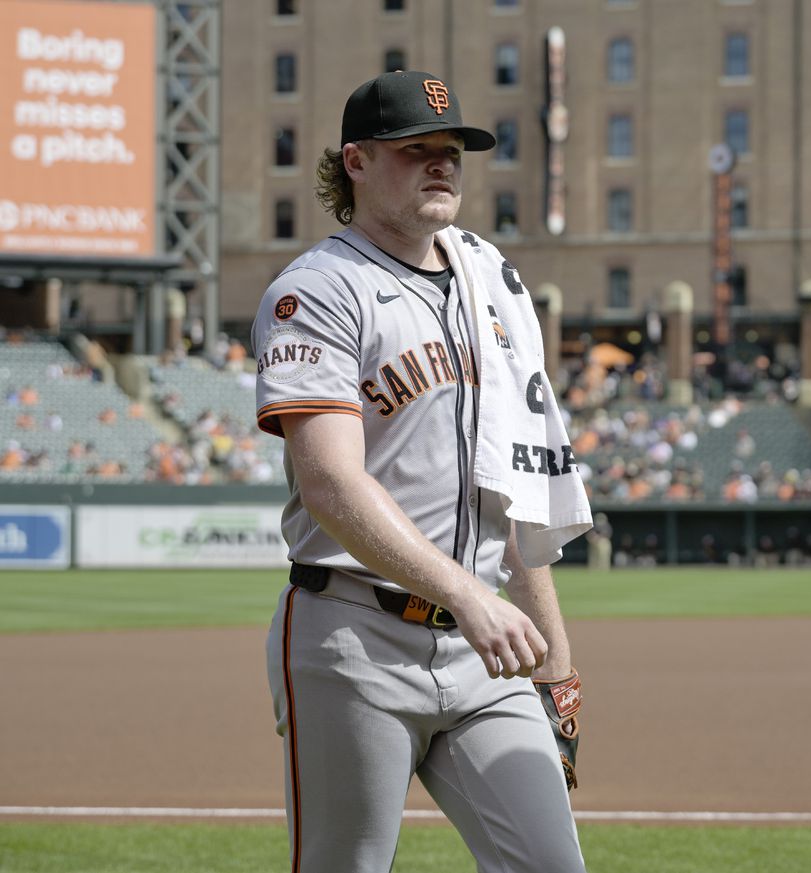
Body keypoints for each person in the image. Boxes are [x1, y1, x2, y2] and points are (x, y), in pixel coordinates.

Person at [252, 71, 591, 873]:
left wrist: (557, 657)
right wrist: (470, 595)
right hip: (355, 637)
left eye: (453, 150)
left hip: (485, 653)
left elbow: (520, 483)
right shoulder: (319, 289)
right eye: (416, 150)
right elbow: (331, 485)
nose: (442, 164)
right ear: (358, 161)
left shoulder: (493, 281)